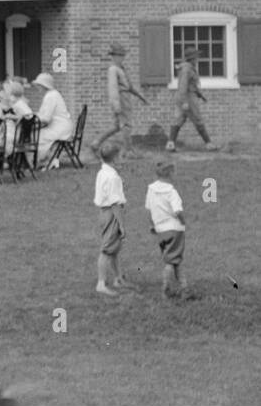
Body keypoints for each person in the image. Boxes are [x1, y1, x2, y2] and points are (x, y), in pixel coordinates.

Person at [92, 44, 147, 162]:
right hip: (121, 99)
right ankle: (128, 151)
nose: (122, 57)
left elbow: (129, 86)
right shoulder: (113, 69)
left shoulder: (121, 68)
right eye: (119, 55)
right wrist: (116, 104)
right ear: (114, 56)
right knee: (126, 125)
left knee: (116, 126)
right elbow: (113, 88)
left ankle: (96, 143)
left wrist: (140, 96)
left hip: (125, 97)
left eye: (122, 55)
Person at [145, 160, 190, 299]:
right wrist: (183, 222)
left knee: (173, 258)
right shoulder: (171, 192)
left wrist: (153, 225)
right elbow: (177, 211)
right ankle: (166, 288)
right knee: (171, 261)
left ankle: (185, 288)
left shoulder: (151, 190)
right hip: (174, 229)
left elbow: (149, 209)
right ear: (171, 173)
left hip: (161, 230)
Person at [94, 142, 128, 296]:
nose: (122, 160)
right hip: (111, 215)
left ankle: (118, 278)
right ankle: (101, 284)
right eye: (120, 157)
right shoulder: (113, 177)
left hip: (104, 213)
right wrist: (121, 224)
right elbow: (115, 204)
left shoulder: (103, 172)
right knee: (107, 249)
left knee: (114, 249)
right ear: (114, 159)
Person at [166, 47, 217, 151]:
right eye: (196, 57)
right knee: (197, 119)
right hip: (188, 97)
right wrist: (185, 101)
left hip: (183, 96)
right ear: (192, 58)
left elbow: (191, 84)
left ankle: (170, 144)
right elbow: (184, 85)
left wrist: (200, 95)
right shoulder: (187, 69)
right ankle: (209, 144)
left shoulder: (186, 67)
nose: (197, 59)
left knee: (178, 119)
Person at [31, 72, 74, 168]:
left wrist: (32, 119)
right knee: (37, 133)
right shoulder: (53, 94)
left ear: (43, 85)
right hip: (61, 126)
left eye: (39, 85)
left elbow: (46, 118)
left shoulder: (50, 96)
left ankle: (46, 161)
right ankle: (45, 159)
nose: (37, 87)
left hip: (59, 128)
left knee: (36, 135)